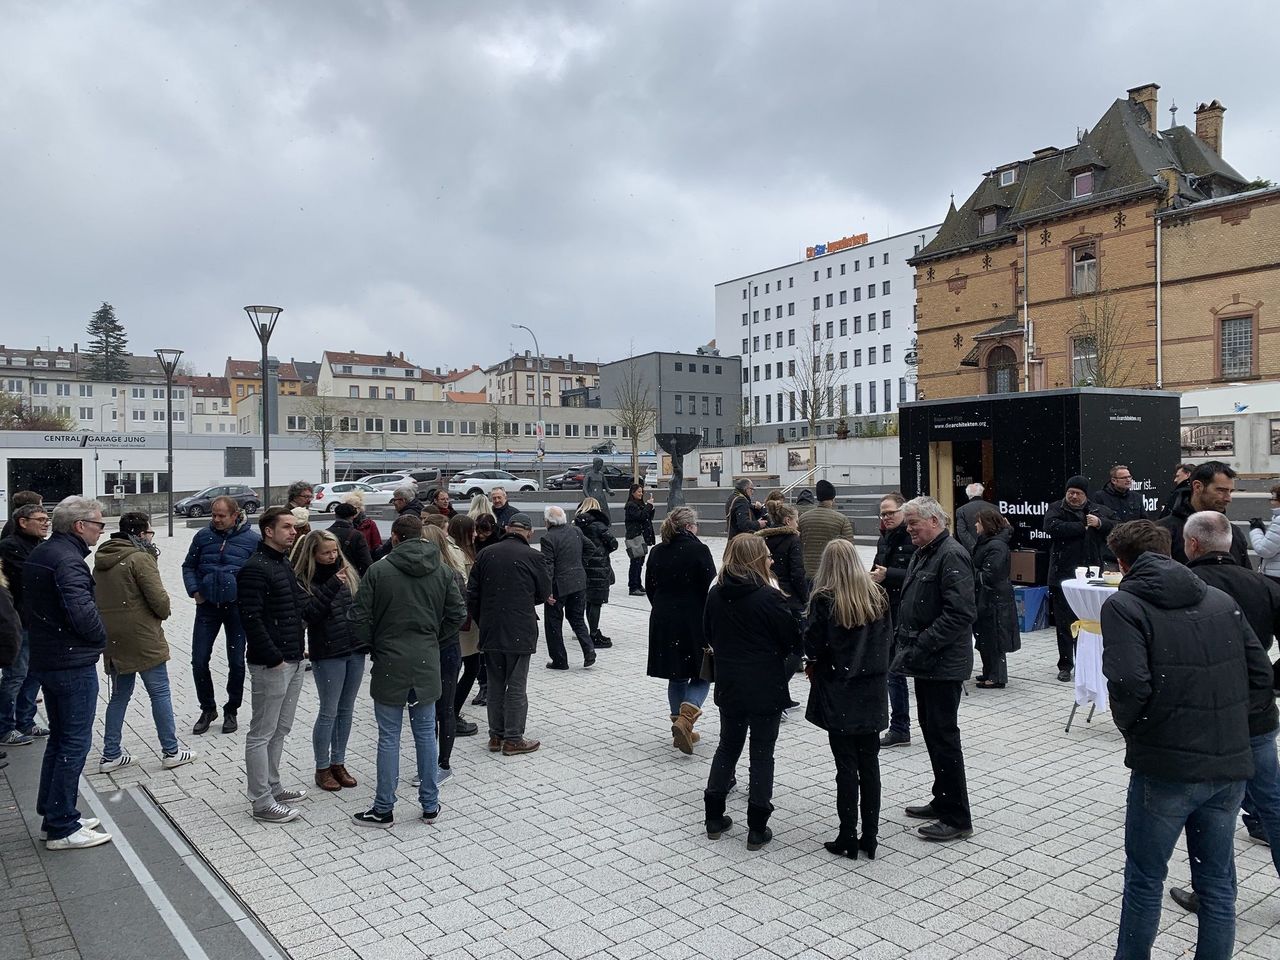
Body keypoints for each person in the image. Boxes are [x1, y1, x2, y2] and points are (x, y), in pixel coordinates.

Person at [1101, 519, 1272, 960]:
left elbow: (1127, 682)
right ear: (1172, 550)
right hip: (1228, 763)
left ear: (1122, 562)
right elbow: (1260, 675)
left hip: (1167, 767)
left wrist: (1138, 730)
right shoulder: (1221, 599)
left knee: (1144, 879)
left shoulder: (1125, 604)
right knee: (1217, 884)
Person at [1178, 510, 1280, 868]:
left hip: (1203, 710)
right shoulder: (1264, 585)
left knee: (1210, 807)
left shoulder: (1185, 585)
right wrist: (1271, 677)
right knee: (1272, 799)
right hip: (1257, 705)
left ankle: (1210, 889)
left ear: (1191, 543)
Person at [351, 514, 465, 826]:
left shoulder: (379, 570)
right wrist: (434, 638)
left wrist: (376, 643)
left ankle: (384, 807)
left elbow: (359, 617)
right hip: (427, 658)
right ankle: (430, 804)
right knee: (426, 733)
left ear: (396, 537)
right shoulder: (442, 571)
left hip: (390, 660)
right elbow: (457, 613)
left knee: (389, 736)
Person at [702, 535, 801, 850]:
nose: (772, 560)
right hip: (764, 685)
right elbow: (792, 640)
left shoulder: (716, 594)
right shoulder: (769, 597)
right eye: (768, 556)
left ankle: (714, 816)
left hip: (730, 682)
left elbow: (708, 634)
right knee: (761, 754)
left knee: (727, 747)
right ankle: (757, 826)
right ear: (757, 560)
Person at [25, 496, 112, 849]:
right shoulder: (68, 561)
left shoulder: (45, 554)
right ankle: (62, 825)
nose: (100, 530)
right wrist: (102, 637)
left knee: (61, 739)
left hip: (50, 657)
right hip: (70, 661)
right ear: (79, 526)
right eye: (98, 524)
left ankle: (54, 812)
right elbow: (81, 613)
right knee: (74, 741)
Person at [892, 496, 975, 843]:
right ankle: (942, 800)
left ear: (935, 521)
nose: (908, 528)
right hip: (927, 662)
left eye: (913, 523)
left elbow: (960, 613)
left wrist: (922, 643)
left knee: (944, 738)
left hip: (941, 662)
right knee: (932, 734)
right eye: (907, 522)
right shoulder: (926, 551)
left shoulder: (951, 554)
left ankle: (957, 816)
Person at [805, 539, 893, 861]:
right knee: (870, 764)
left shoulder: (826, 599)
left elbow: (813, 645)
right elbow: (888, 642)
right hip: (871, 689)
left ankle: (848, 834)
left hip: (840, 689)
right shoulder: (877, 596)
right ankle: (870, 836)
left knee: (846, 766)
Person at [94, 513, 196, 773]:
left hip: (114, 638)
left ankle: (110, 754)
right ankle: (171, 751)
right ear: (140, 534)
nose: (151, 537)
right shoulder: (140, 558)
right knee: (159, 692)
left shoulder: (102, 560)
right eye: (149, 533)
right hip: (143, 636)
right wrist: (164, 612)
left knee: (119, 696)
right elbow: (159, 601)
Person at [238, 507, 309, 824]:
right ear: (268, 530)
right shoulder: (255, 568)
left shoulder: (282, 563)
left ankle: (274, 786)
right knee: (262, 733)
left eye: (294, 528)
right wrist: (274, 657)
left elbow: (296, 608)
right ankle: (262, 801)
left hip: (293, 659)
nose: (293, 532)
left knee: (281, 729)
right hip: (273, 664)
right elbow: (251, 619)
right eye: (287, 527)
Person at [467, 512, 551, 755]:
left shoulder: (485, 553)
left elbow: (472, 593)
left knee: (494, 684)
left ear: (506, 528)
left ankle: (496, 735)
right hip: (519, 627)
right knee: (516, 684)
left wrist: (485, 617)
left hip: (491, 627)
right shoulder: (534, 556)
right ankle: (513, 739)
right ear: (529, 532)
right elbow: (544, 592)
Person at [293, 530, 366, 793]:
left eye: (335, 551)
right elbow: (310, 615)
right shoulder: (304, 580)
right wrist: (334, 584)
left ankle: (339, 761)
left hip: (354, 649)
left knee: (346, 710)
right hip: (327, 652)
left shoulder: (348, 573)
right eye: (326, 552)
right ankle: (322, 767)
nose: (332, 556)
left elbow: (358, 608)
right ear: (312, 554)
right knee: (329, 711)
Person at [181, 495, 260, 735]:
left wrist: (248, 598)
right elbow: (188, 566)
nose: (215, 519)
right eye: (213, 515)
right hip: (207, 607)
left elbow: (258, 573)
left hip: (236, 609)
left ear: (235, 515)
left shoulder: (252, 540)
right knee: (199, 659)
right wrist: (195, 591)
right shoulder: (203, 536)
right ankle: (208, 708)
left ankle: (231, 710)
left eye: (221, 516)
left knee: (236, 662)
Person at [645, 507, 717, 753]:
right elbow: (711, 587)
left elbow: (650, 586)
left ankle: (681, 727)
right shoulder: (699, 550)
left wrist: (664, 608)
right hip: (694, 619)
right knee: (703, 673)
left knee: (676, 675)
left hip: (664, 620)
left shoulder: (657, 551)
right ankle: (686, 720)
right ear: (689, 527)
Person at [1044, 476, 1116, 682]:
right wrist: (1082, 527)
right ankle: (1065, 664)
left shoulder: (1097, 510)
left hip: (1092, 572)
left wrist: (1099, 523)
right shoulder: (1056, 508)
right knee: (1064, 623)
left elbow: (1116, 527)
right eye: (1070, 493)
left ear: (1086, 495)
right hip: (1062, 574)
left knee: (1092, 621)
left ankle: (1092, 662)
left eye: (1078, 493)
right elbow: (1052, 527)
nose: (1074, 497)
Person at [0, 502, 51, 746]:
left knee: (33, 675)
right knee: (15, 676)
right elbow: (34, 576)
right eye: (40, 519)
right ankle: (5, 728)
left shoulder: (39, 545)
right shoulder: (10, 547)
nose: (46, 522)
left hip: (36, 621)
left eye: (47, 518)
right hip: (18, 623)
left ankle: (26, 721)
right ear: (23, 522)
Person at [422, 524, 466, 785]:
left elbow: (459, 612)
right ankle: (436, 762)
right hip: (443, 646)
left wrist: (436, 635)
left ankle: (441, 762)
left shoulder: (449, 574)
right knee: (438, 708)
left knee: (439, 707)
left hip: (441, 647)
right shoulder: (448, 573)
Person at [871, 493, 916, 748]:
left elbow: (917, 573)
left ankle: (900, 727)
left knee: (895, 671)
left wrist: (890, 574)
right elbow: (878, 568)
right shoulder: (884, 538)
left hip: (906, 612)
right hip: (885, 610)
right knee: (891, 671)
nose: (886, 517)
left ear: (903, 511)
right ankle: (899, 726)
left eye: (891, 513)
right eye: (883, 514)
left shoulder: (912, 537)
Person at [1157, 460, 1249, 567]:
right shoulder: (1164, 531)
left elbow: (1244, 575)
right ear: (1197, 487)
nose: (1228, 498)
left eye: (1230, 491)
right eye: (1221, 490)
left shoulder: (1234, 533)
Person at [540, 506, 596, 670]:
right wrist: (579, 564)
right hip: (578, 581)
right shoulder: (575, 531)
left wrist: (547, 589)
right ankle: (589, 650)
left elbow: (548, 566)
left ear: (548, 521)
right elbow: (590, 547)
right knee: (577, 618)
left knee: (553, 622)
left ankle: (560, 660)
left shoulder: (548, 538)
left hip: (559, 584)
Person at [970, 508, 1020, 689]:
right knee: (985, 635)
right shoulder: (988, 542)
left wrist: (970, 572)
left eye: (979, 522)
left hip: (994, 599)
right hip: (986, 597)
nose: (976, 525)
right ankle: (989, 671)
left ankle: (997, 676)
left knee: (994, 637)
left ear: (986, 525)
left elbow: (990, 575)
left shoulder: (996, 546)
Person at [449, 515, 484, 727]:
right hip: (464, 621)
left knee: (468, 666)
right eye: (472, 530)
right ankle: (451, 712)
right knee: (466, 667)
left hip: (467, 621)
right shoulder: (457, 553)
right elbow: (463, 586)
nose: (475, 534)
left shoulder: (462, 550)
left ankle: (450, 711)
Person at [574, 497, 617, 649]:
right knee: (597, 601)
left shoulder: (576, 525)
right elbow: (613, 543)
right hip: (599, 567)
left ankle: (589, 631)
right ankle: (594, 633)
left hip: (583, 566)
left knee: (588, 600)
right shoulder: (599, 525)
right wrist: (604, 551)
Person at [757, 503, 808, 619]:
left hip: (768, 591)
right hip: (790, 596)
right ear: (788, 520)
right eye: (796, 521)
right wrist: (805, 598)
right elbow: (797, 573)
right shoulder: (793, 540)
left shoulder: (764, 539)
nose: (797, 525)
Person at [798, 479, 855, 580]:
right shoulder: (841, 519)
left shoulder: (803, 518)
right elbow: (849, 549)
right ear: (833, 499)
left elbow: (798, 544)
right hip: (831, 573)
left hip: (807, 572)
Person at [624, 484, 656, 596]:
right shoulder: (631, 506)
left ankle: (638, 584)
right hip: (635, 537)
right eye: (638, 492)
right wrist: (649, 506)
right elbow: (640, 517)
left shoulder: (640, 504)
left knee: (640, 562)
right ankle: (633, 586)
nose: (641, 494)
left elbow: (647, 517)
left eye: (641, 492)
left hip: (641, 537)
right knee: (635, 562)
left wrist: (651, 508)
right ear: (632, 492)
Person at [328, 502, 374, 575]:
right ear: (352, 517)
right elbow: (366, 562)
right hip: (350, 575)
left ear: (336, 515)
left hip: (330, 575)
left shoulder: (326, 533)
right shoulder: (357, 535)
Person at [1248, 483, 1280, 585]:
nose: (1272, 503)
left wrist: (1256, 529)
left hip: (1276, 576)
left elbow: (1264, 550)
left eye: (1274, 499)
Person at [345, 492, 383, 557]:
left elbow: (376, 544)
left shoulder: (370, 524)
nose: (351, 511)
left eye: (354, 508)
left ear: (360, 508)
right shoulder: (343, 523)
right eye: (348, 508)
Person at [953, 482, 986, 552]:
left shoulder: (961, 510)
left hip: (971, 553)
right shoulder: (995, 508)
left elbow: (962, 532)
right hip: (991, 551)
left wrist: (974, 547)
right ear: (982, 492)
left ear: (968, 495)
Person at [583, 458, 611, 523]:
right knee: (593, 513)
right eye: (600, 465)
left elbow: (607, 487)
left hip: (601, 497)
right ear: (595, 464)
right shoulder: (589, 475)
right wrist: (589, 498)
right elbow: (584, 488)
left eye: (601, 465)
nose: (601, 467)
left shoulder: (601, 474)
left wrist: (610, 491)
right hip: (592, 497)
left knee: (604, 512)